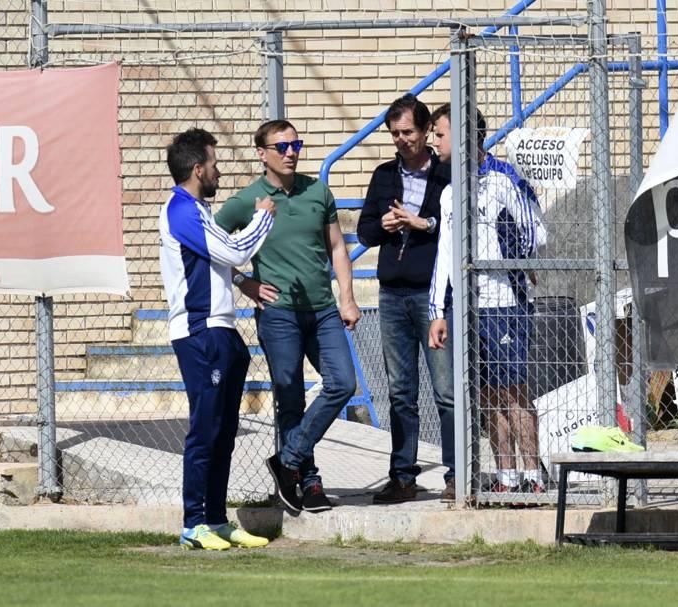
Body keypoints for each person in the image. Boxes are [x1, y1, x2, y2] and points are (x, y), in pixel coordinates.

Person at [215, 119, 360, 515]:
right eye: (282, 147)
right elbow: (211, 247)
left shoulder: (317, 191)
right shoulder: (247, 201)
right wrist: (244, 283)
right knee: (289, 396)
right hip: (278, 314)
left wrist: (347, 297)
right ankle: (306, 482)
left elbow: (337, 249)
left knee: (343, 382)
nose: (291, 152)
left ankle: (289, 459)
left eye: (296, 145)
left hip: (323, 310)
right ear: (262, 154)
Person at [160, 128, 274, 550]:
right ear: (197, 168)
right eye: (213, 163)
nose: (218, 170)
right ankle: (193, 522)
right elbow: (233, 251)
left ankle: (216, 518)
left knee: (224, 429)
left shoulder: (200, 209)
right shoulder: (181, 210)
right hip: (199, 332)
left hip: (222, 330)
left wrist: (242, 283)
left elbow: (220, 261)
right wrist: (263, 216)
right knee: (205, 429)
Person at [427, 103, 547, 496]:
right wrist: (437, 310)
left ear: (463, 137)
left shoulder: (503, 179)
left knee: (514, 390)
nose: (433, 141)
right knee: (488, 393)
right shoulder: (449, 192)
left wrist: (514, 265)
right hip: (469, 307)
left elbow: (535, 232)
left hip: (506, 301)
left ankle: (533, 475)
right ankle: (506, 475)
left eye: (440, 134)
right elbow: (445, 253)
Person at [356, 93, 456, 504]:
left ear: (426, 130)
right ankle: (402, 475)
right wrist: (383, 224)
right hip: (393, 296)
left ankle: (457, 473)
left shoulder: (446, 174)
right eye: (395, 133)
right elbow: (364, 232)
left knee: (447, 391)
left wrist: (423, 223)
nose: (402, 140)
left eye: (409, 132)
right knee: (401, 391)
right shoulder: (383, 175)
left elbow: (457, 227)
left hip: (433, 297)